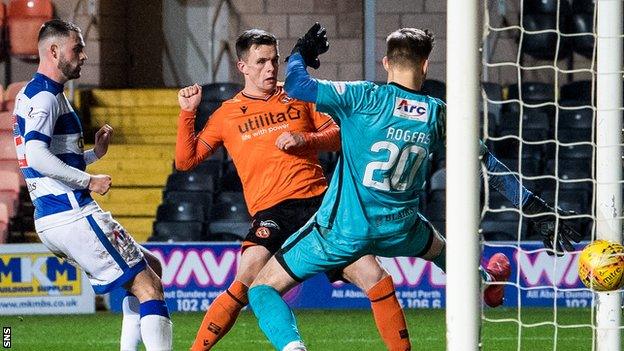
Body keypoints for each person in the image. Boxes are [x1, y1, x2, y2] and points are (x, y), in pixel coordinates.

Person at [247, 24, 582, 351]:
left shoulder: (363, 96)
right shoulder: (439, 114)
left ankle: (293, 348)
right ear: (425, 65)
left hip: (343, 230)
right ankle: (485, 281)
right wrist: (537, 207)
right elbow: (489, 166)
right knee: (444, 252)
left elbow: (296, 86)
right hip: (401, 228)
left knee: (262, 290)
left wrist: (299, 54)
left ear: (386, 63)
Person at [176, 29, 412, 351]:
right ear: (242, 66)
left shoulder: (299, 95)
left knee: (374, 275)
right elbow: (185, 161)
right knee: (247, 277)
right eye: (261, 62)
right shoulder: (226, 115)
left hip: (321, 205)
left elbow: (339, 134)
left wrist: (307, 140)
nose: (271, 68)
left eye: (274, 60)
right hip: (272, 211)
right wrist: (188, 112)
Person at [12, 19, 172, 351]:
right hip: (71, 215)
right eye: (78, 47)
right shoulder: (46, 98)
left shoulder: (33, 93)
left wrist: (94, 155)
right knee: (149, 287)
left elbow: (50, 160)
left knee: (150, 267)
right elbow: (36, 155)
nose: (84, 55)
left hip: (56, 216)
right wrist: (89, 180)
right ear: (54, 51)